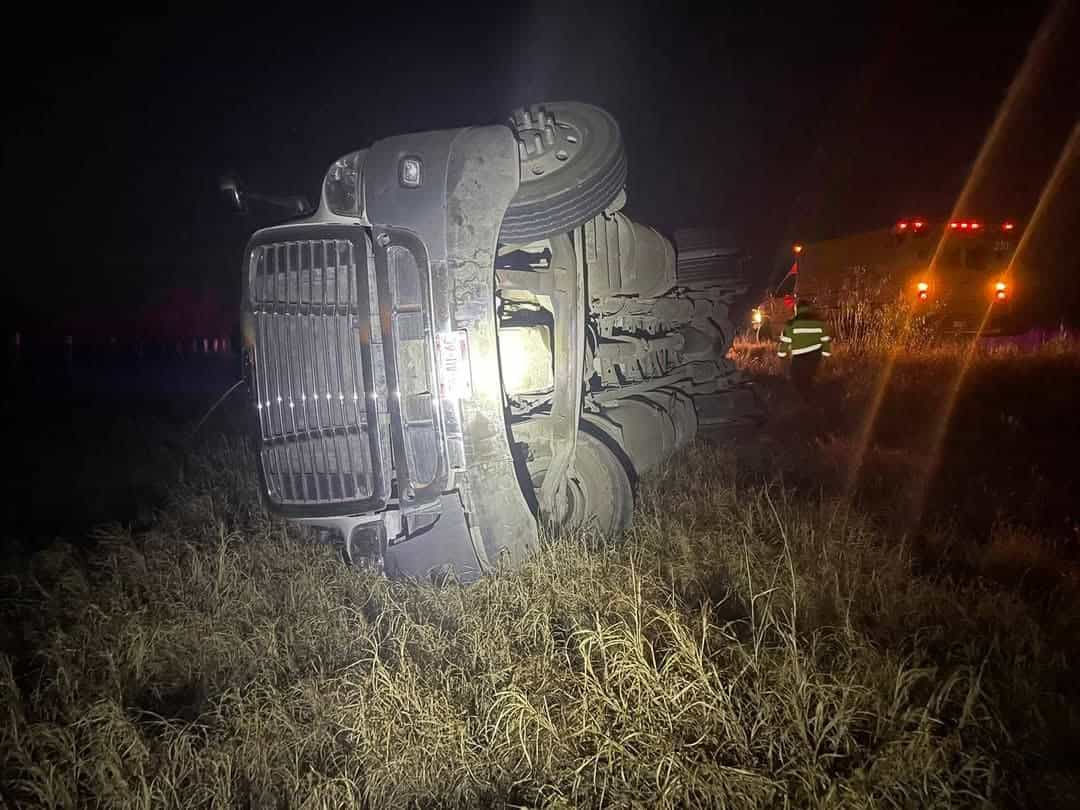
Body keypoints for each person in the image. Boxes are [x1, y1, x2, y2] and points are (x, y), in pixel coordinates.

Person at [776, 301, 832, 400]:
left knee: (797, 381)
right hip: (815, 357)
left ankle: (804, 402)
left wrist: (781, 355)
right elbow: (825, 340)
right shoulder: (819, 322)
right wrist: (826, 357)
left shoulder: (791, 323)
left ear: (796, 310)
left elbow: (784, 343)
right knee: (811, 379)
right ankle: (815, 400)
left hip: (799, 359)